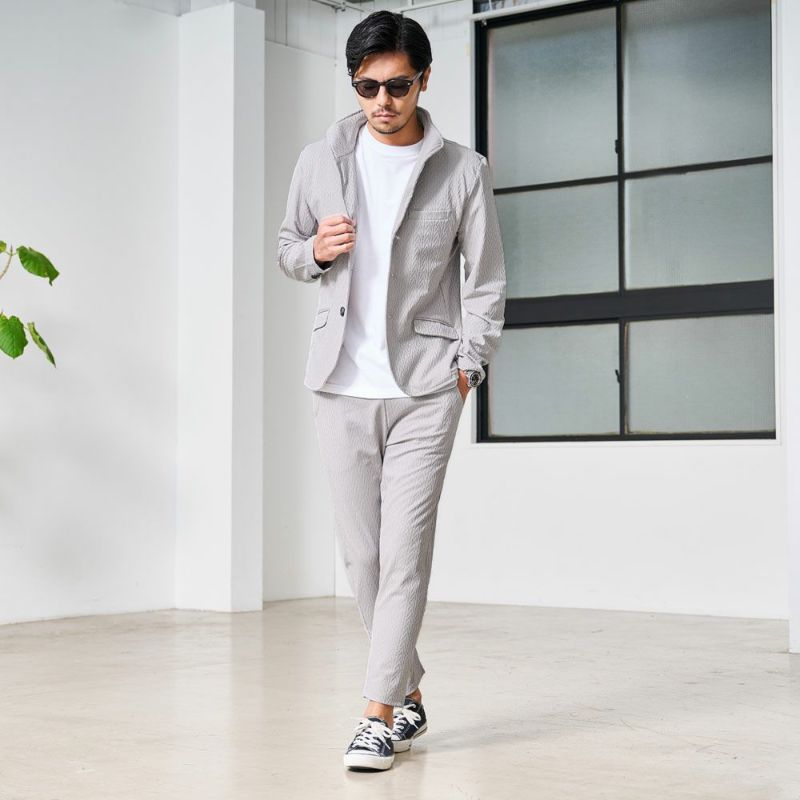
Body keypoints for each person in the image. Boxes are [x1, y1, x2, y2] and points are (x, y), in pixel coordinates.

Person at [277, 9, 506, 772]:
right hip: (338, 385)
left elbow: (486, 279)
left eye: (398, 85)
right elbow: (286, 247)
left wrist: (469, 366)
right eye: (367, 86)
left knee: (405, 552)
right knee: (363, 559)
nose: (383, 100)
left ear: (425, 80)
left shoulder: (463, 170)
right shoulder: (320, 159)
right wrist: (315, 250)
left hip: (426, 388)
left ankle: (376, 715)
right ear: (354, 84)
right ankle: (409, 691)